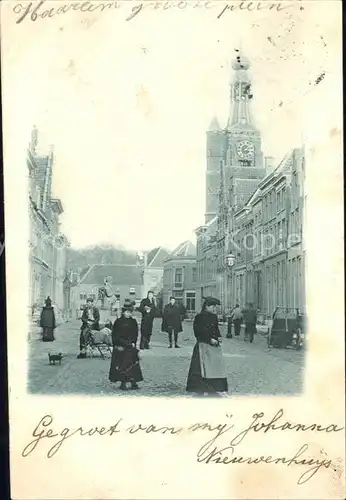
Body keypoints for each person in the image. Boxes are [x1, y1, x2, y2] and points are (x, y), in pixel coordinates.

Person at [186, 297, 228, 396]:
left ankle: (214, 389)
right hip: (203, 346)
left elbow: (216, 329)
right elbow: (198, 332)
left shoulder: (214, 317)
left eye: (215, 307)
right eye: (213, 307)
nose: (214, 309)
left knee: (215, 368)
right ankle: (200, 389)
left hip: (214, 347)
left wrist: (218, 337)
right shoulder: (199, 317)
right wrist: (209, 339)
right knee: (201, 369)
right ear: (206, 306)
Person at [109, 302, 143, 390]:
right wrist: (119, 345)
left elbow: (135, 334)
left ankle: (133, 382)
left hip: (130, 346)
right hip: (121, 347)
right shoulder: (118, 322)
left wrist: (133, 343)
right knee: (122, 365)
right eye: (127, 312)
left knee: (133, 365)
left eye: (130, 312)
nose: (128, 314)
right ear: (123, 312)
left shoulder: (133, 321)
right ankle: (123, 383)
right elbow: (115, 336)